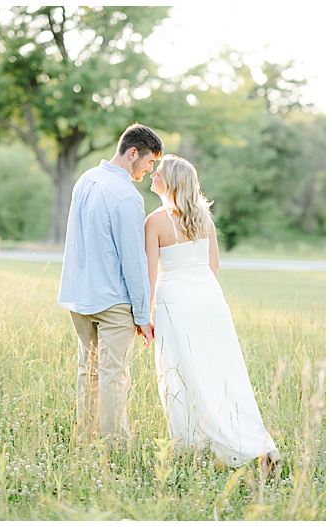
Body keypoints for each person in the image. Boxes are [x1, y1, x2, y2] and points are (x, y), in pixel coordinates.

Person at [143, 154, 281, 475]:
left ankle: (194, 445)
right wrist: (203, 297)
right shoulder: (204, 218)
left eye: (158, 172)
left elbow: (150, 275)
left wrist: (145, 315)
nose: (152, 175)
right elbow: (213, 266)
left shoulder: (155, 222)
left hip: (174, 302)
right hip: (210, 300)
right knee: (223, 372)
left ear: (172, 181)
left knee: (180, 373)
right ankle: (257, 442)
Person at [58, 123, 161, 441]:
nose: (149, 169)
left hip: (80, 296)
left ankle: (87, 440)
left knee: (88, 372)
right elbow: (134, 262)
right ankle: (114, 446)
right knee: (114, 375)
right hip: (113, 301)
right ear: (133, 153)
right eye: (149, 161)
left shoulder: (85, 180)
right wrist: (143, 316)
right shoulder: (126, 196)